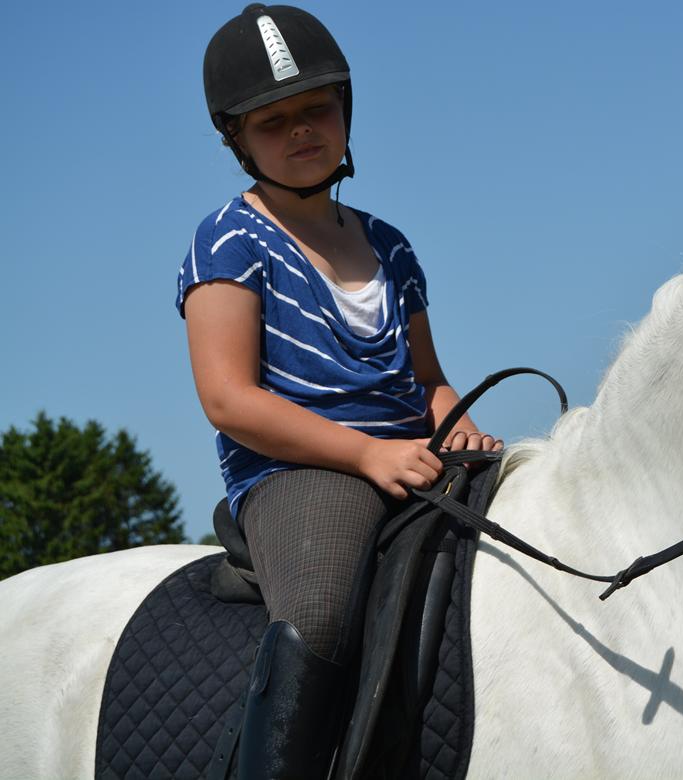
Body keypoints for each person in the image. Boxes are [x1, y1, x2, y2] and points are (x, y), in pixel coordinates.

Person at [177, 5, 501, 777]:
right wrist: (365, 455)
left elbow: (426, 380)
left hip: (409, 454)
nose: (300, 130)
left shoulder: (389, 243)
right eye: (272, 121)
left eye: (316, 108)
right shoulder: (229, 239)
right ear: (237, 138)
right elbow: (228, 400)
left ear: (345, 109)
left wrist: (457, 423)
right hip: (299, 470)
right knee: (320, 610)